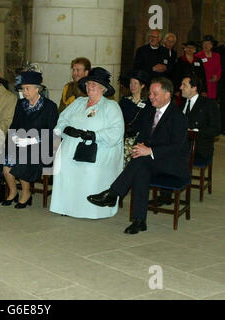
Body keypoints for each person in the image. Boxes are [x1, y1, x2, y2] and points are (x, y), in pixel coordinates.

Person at [87, 77, 189, 234]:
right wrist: (138, 147)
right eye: (150, 94)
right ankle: (139, 220)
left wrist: (150, 151)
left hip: (173, 164)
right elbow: (142, 136)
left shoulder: (177, 116)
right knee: (141, 167)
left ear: (167, 95)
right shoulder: (150, 112)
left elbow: (177, 147)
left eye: (155, 94)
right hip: (151, 162)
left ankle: (113, 193)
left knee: (141, 162)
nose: (151, 97)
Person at [49, 67, 124, 219]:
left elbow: (117, 131)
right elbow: (62, 119)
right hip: (73, 146)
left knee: (91, 169)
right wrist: (67, 129)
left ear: (103, 88)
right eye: (89, 83)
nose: (90, 87)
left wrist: (95, 135)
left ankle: (91, 209)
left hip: (100, 148)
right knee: (64, 163)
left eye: (94, 85)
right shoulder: (78, 102)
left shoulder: (110, 106)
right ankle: (67, 206)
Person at [154, 74, 221, 206]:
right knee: (161, 151)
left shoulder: (208, 104)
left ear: (194, 88)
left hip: (200, 147)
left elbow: (216, 129)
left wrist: (196, 132)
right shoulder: (181, 104)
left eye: (184, 85)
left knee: (171, 155)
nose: (180, 88)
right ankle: (164, 187)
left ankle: (166, 192)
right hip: (182, 145)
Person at [1, 71, 58, 208]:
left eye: (27, 88)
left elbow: (53, 133)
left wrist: (32, 141)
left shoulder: (49, 106)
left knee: (23, 158)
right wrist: (14, 136)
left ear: (38, 88)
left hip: (42, 146)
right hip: (21, 143)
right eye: (23, 89)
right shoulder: (21, 104)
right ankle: (14, 191)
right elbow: (14, 125)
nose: (24, 92)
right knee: (6, 165)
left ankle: (26, 194)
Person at [118, 70, 153, 165]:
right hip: (124, 139)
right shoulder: (124, 101)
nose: (132, 86)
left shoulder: (148, 103)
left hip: (140, 142)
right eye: (131, 83)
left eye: (135, 83)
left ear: (142, 85)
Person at [195, 35, 222, 100]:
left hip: (214, 84)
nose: (206, 45)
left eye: (208, 44)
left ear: (212, 45)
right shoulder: (197, 56)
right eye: (204, 44)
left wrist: (216, 76)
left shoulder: (217, 55)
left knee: (212, 104)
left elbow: (219, 68)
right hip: (203, 85)